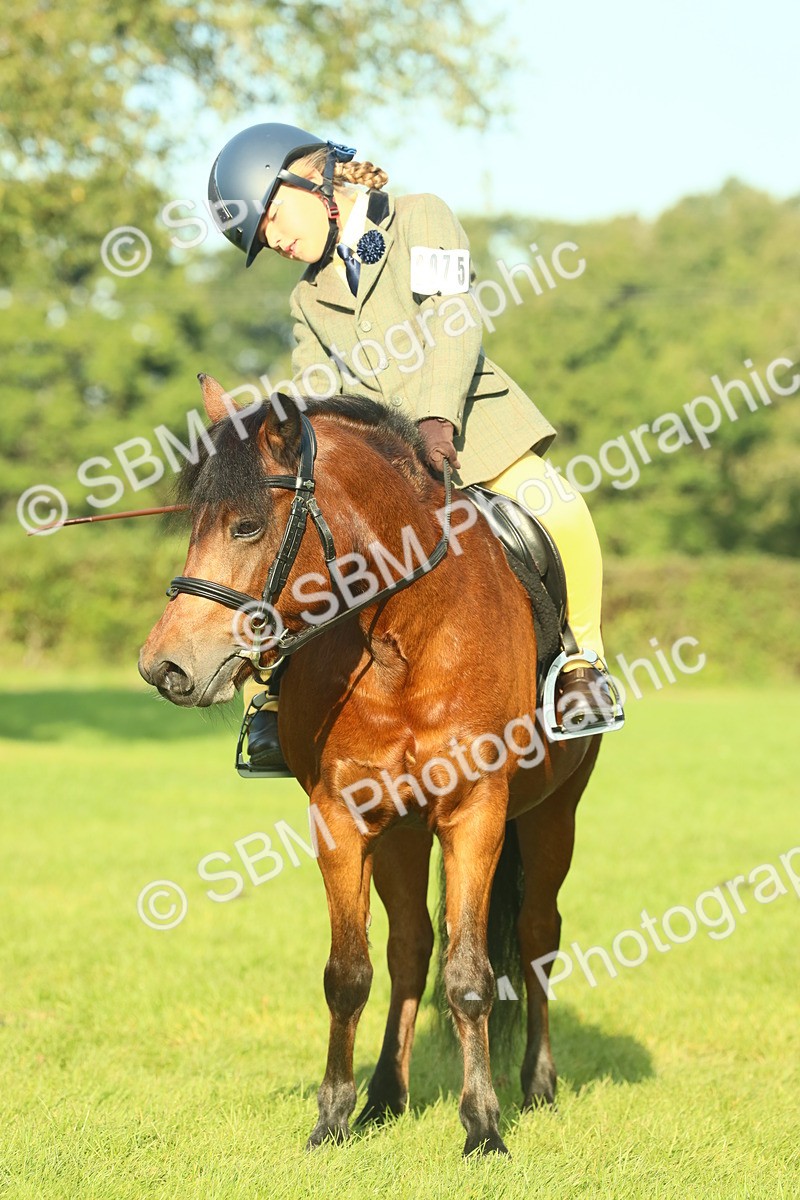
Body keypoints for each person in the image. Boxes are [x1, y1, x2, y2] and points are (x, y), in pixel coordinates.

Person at [207, 123, 622, 770]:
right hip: (377, 468)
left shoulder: (420, 217)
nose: (278, 242)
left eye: (274, 220)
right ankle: (276, 694)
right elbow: (318, 391)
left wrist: (436, 423)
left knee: (558, 504)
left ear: (310, 177)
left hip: (470, 428)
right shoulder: (306, 299)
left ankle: (582, 664)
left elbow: (453, 318)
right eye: (265, 240)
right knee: (292, 544)